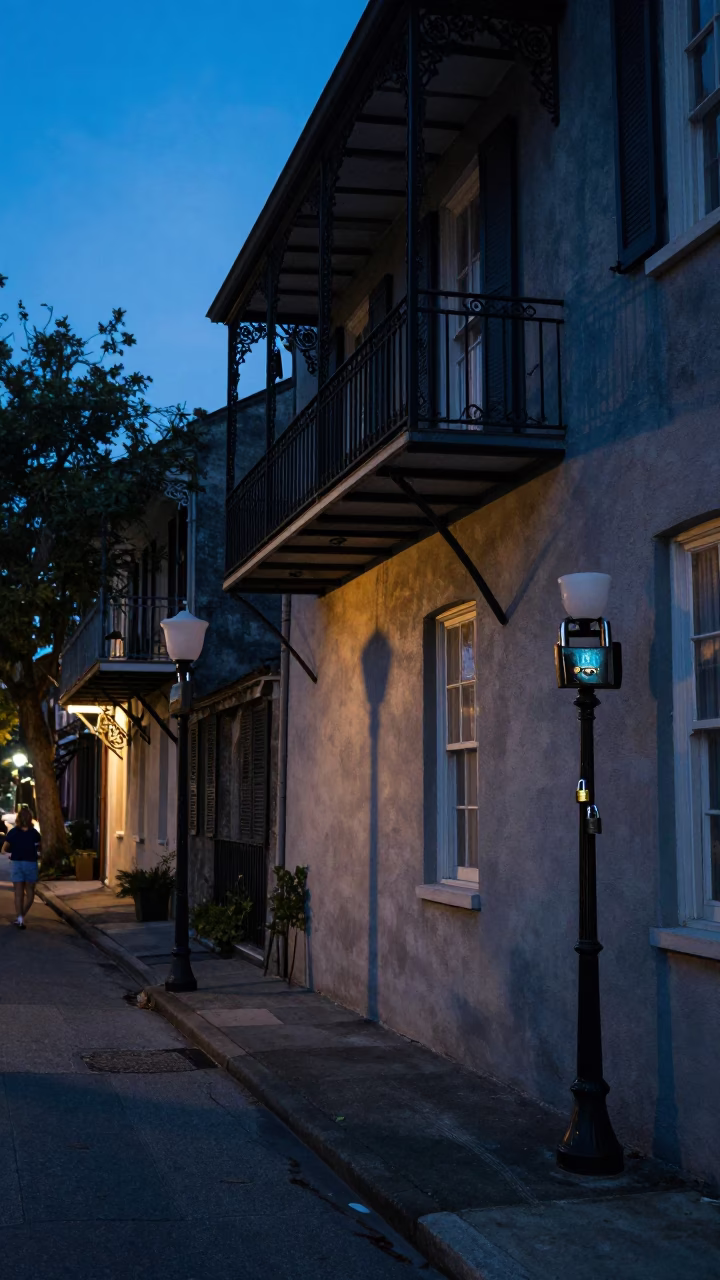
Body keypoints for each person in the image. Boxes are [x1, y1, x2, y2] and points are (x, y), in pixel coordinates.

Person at [2, 806, 41, 929]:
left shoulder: (13, 832)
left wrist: (9, 854)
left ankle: (19, 918)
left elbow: (3, 849)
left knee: (18, 894)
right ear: (30, 819)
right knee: (30, 894)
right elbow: (40, 849)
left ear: (18, 819)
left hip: (17, 864)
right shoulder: (35, 834)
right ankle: (22, 915)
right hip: (31, 864)